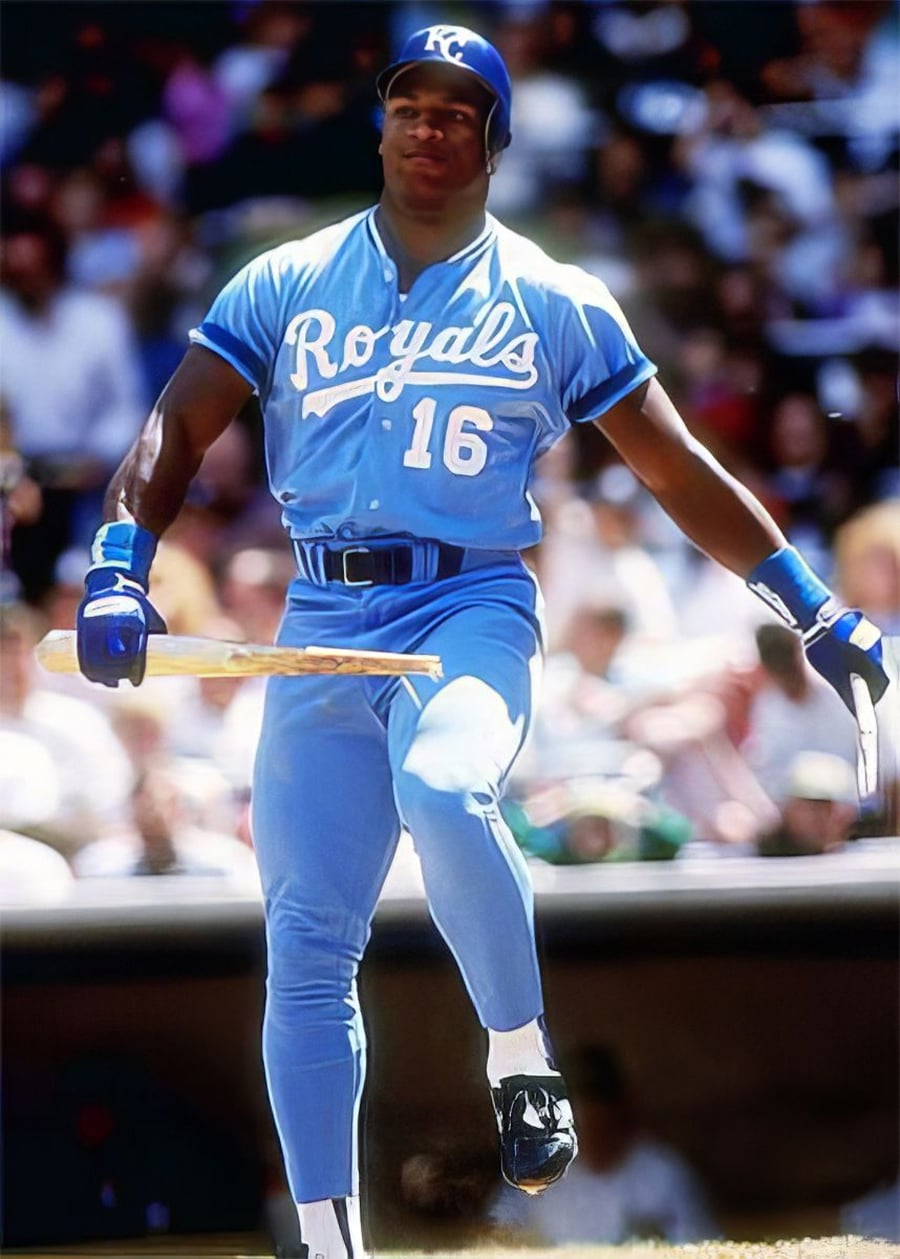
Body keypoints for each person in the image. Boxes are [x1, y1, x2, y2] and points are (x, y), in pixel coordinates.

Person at [72, 25, 889, 1259]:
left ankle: (520, 1053)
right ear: (383, 123)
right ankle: (329, 1241)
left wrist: (809, 602)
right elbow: (172, 437)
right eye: (410, 103)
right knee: (303, 944)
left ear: (496, 140)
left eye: (460, 110)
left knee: (449, 787)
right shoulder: (283, 277)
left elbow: (674, 468)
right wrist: (120, 567)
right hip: (319, 618)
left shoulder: (556, 298)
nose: (430, 125)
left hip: (467, 600)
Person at [489, 1043, 720, 1244]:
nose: (588, 1114)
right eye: (576, 1102)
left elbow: (699, 1243)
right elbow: (493, 1238)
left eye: (597, 1101)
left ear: (620, 1106)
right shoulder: (534, 1173)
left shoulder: (663, 1176)